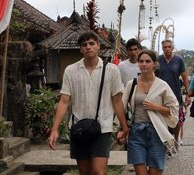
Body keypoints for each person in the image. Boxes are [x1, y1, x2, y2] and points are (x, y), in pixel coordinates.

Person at [48, 31, 129, 175]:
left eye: (92, 43)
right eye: (84, 45)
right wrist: (55, 129)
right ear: (80, 49)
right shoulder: (71, 71)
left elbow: (117, 100)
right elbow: (64, 101)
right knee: (84, 171)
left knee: (99, 171)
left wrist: (124, 126)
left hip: (102, 127)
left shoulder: (112, 70)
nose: (88, 47)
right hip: (79, 127)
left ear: (98, 46)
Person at [121, 49, 179, 175]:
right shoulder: (132, 84)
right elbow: (122, 106)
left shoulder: (162, 85)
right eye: (141, 61)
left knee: (155, 172)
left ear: (154, 64)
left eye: (147, 61)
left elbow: (174, 109)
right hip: (136, 132)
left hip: (157, 132)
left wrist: (157, 107)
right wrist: (122, 128)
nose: (144, 64)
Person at [157, 39, 192, 146]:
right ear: (162, 48)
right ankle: (166, 142)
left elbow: (185, 77)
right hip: (161, 94)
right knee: (162, 118)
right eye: (165, 47)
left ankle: (176, 140)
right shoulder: (158, 60)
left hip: (175, 93)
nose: (167, 49)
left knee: (176, 118)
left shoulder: (178, 60)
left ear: (172, 48)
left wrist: (188, 94)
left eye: (169, 47)